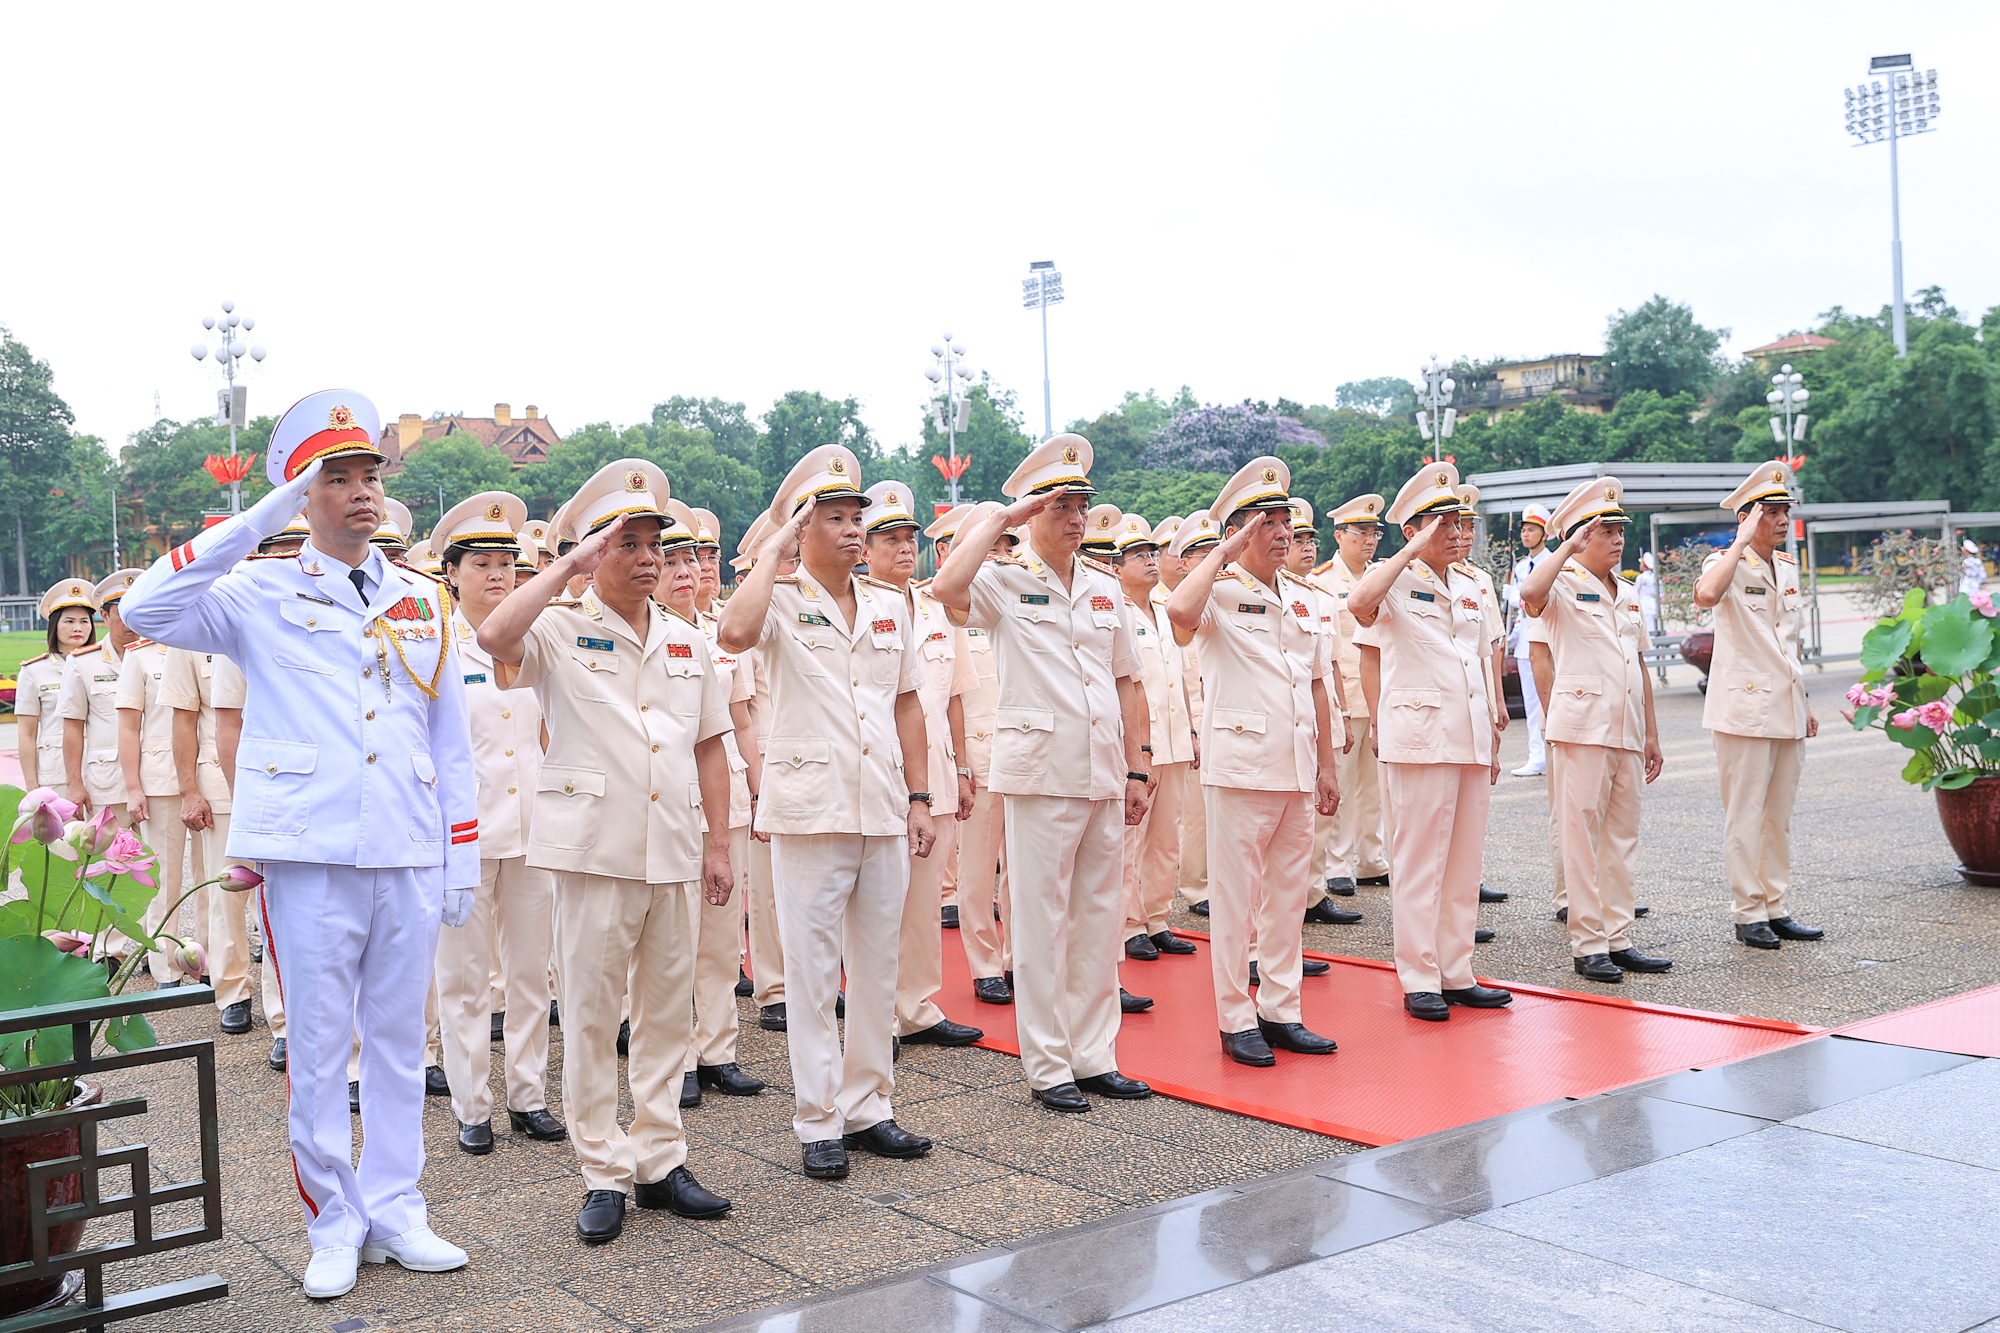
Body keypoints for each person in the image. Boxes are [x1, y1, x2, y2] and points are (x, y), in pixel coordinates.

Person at [121, 389, 476, 1299]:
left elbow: (448, 737)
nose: (362, 493)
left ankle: (398, 1206)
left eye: (370, 476)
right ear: (302, 494)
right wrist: (263, 514)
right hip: (310, 851)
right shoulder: (259, 591)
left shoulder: (421, 597)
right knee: (319, 1049)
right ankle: (332, 1217)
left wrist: (459, 854)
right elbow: (152, 608)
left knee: (400, 1042)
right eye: (337, 479)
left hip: (403, 844)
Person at [479, 460, 737, 1242]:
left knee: (667, 1014)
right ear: (596, 550)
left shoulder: (689, 640)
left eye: (656, 540)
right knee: (592, 1018)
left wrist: (719, 843)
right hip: (595, 851)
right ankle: (602, 1168)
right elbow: (494, 634)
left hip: (673, 850)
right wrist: (567, 564)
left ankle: (660, 1157)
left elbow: (712, 747)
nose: (653, 555)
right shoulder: (557, 628)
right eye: (630, 541)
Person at [716, 445, 940, 1181]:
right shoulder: (778, 597)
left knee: (877, 968)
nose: (851, 531)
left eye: (855, 519)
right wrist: (776, 545)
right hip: (811, 810)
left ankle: (871, 1105)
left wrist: (920, 795)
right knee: (813, 975)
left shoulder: (885, 606)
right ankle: (818, 1119)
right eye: (833, 519)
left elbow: (907, 703)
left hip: (881, 805)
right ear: (803, 529)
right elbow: (733, 634)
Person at [931, 434, 1155, 1114]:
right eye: (1059, 505)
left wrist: (1139, 769)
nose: (1075, 517)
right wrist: (999, 520)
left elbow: (1128, 682)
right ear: (1032, 514)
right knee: (1038, 921)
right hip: (1039, 773)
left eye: (1080, 504)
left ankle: (1094, 1055)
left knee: (1097, 917)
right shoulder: (1002, 580)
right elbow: (944, 587)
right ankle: (1048, 1062)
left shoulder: (1103, 588)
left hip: (1102, 771)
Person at [1167, 460, 1341, 1066]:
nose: (1283, 530)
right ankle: (1235, 1017)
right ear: (1241, 531)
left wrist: (1327, 765)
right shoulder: (1215, 590)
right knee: (1236, 900)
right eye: (1268, 521)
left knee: (1288, 898)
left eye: (1286, 518)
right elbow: (1180, 615)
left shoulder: (1302, 596)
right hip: (1241, 766)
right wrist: (1224, 551)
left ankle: (1282, 1010)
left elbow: (1317, 684)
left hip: (1295, 767)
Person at [428, 492, 567, 1156]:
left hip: (534, 827)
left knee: (532, 973)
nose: (497, 576)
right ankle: (472, 1104)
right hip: (462, 835)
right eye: (481, 562)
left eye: (507, 564)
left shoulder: (532, 638)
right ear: (450, 571)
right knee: (463, 977)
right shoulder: (433, 644)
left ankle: (529, 1095)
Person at [1347, 462, 1511, 1022]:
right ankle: (1419, 976)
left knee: (1464, 862)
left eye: (1462, 523)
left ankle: (1456, 969)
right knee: (1418, 861)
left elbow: (1483, 655)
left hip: (1468, 735)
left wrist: (1494, 718)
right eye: (1444, 524)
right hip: (1417, 737)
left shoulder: (1475, 582)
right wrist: (1410, 551)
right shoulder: (1392, 578)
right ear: (1417, 529)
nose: (1459, 534)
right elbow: (1359, 605)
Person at [1518, 478, 1671, 984]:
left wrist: (1651, 732)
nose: (1618, 538)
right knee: (1581, 838)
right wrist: (1566, 549)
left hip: (1625, 729)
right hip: (1582, 727)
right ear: (1582, 535)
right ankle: (1588, 945)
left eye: (1619, 529)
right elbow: (1529, 594)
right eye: (1606, 529)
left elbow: (1639, 664)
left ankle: (1618, 937)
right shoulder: (1559, 582)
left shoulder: (1626, 593)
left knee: (1621, 837)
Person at [860, 482, 985, 1050]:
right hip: (880, 772)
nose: (905, 548)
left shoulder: (937, 607)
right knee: (880, 898)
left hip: (934, 772)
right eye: (889, 538)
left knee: (926, 895)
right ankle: (878, 1015)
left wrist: (961, 768)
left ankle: (918, 1004)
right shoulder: (855, 607)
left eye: (909, 537)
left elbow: (955, 694)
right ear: (865, 547)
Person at [655, 499, 768, 1108]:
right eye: (671, 559)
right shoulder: (644, 634)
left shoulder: (724, 636)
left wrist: (759, 781)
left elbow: (742, 719)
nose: (685, 572)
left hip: (726, 800)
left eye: (694, 560)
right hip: (668, 799)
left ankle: (719, 1049)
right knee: (676, 940)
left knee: (723, 937)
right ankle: (679, 1059)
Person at [1692, 461, 1824, 950]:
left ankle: (1776, 905)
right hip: (1743, 710)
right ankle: (1748, 913)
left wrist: (1804, 701)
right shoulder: (1722, 564)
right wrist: (1743, 541)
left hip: (1786, 705)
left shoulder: (1787, 566)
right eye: (1770, 511)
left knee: (1778, 815)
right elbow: (1705, 595)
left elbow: (1788, 644)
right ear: (1747, 517)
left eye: (1784, 509)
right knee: (1745, 814)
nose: (1781, 518)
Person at [929, 501, 1017, 1005]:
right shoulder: (946, 608)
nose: (1000, 555)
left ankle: (1018, 961)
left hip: (1027, 753)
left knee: (1024, 874)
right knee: (978, 872)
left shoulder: (1026, 597)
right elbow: (954, 696)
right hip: (982, 759)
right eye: (991, 546)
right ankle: (985, 964)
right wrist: (960, 765)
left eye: (1007, 546)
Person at [159, 646, 260, 1048]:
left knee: (281, 903)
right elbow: (183, 720)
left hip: (283, 783)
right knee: (227, 896)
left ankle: (285, 1010)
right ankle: (234, 992)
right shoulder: (189, 638)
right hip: (220, 788)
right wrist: (188, 790)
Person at [1112, 514, 1200, 963]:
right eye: (1137, 556)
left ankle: (1158, 918)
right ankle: (1129, 926)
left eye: (1151, 554)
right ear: (1116, 566)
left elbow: (1177, 676)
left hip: (1174, 740)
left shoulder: (1166, 609)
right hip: (1141, 747)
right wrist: (1137, 752)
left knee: (1168, 837)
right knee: (1133, 840)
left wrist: (1190, 730)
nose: (1148, 561)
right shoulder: (1116, 612)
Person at [118, 621, 213, 997]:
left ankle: (209, 962)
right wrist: (132, 786)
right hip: (160, 780)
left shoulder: (208, 640)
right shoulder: (140, 655)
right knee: (164, 879)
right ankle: (165, 967)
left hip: (210, 772)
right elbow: (128, 727)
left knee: (211, 881)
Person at [1307, 495, 1387, 902]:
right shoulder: (1320, 582)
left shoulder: (1383, 576)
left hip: (1381, 694)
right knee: (1342, 783)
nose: (1369, 540)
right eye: (1361, 532)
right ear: (1339, 535)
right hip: (1345, 696)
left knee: (1375, 786)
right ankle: (1338, 867)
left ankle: (1372, 859)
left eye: (1375, 532)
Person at [729, 513, 790, 1032]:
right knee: (767, 890)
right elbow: (743, 709)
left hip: (795, 761)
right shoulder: (758, 614)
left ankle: (796, 979)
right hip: (766, 762)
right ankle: (774, 987)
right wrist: (757, 776)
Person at [1166, 513, 1220, 918]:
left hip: (1225, 716)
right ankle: (1197, 886)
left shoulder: (1230, 596)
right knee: (1195, 815)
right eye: (1200, 554)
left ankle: (1216, 881)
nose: (1210, 560)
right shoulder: (1173, 606)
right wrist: (1189, 729)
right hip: (1192, 720)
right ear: (1183, 561)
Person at [61, 570, 144, 819]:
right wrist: (74, 784)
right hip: (107, 781)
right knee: (105, 856)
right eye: (122, 614)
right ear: (105, 616)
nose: (130, 621)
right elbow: (73, 726)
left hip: (157, 778)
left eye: (136, 611)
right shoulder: (82, 663)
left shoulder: (159, 656)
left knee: (159, 857)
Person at [19, 581, 98, 795]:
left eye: (84, 621)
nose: (77, 628)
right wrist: (32, 785)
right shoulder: (34, 671)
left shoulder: (103, 666)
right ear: (54, 625)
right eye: (69, 621)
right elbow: (27, 733)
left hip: (100, 769)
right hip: (55, 773)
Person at [1503, 503, 1556, 777]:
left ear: (1545, 534)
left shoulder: (1551, 563)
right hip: (1525, 644)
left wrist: (1516, 597)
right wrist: (1509, 635)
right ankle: (1537, 755)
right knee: (1531, 704)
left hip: (1547, 643)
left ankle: (1550, 753)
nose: (1525, 535)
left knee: (1550, 701)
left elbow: (1539, 601)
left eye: (1531, 530)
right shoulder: (1522, 566)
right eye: (1523, 530)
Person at [1634, 551, 1660, 635]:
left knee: (1648, 628)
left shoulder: (1641, 577)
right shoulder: (1656, 577)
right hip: (1655, 604)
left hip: (1644, 605)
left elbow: (1634, 591)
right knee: (1655, 627)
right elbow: (1662, 593)